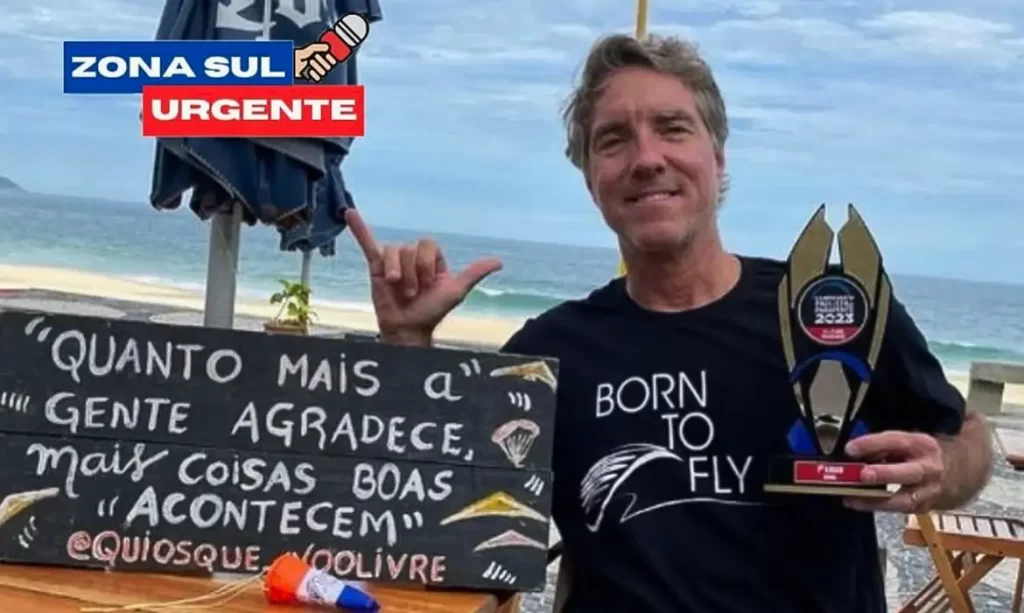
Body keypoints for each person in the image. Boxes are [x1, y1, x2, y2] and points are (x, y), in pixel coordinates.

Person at [343, 32, 994, 613]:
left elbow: (966, 436)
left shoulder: (832, 308)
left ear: (718, 157)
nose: (646, 158)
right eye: (613, 139)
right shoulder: (547, 353)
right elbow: (432, 518)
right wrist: (407, 344)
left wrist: (944, 469)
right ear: (591, 179)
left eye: (672, 128)